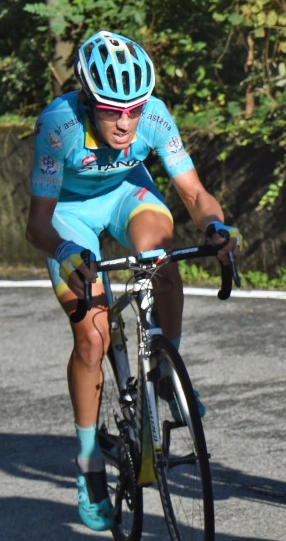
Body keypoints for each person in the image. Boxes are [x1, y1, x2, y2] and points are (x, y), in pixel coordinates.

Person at [25, 30, 239, 532]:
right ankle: (88, 462)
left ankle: (164, 369)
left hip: (124, 194)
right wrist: (65, 251)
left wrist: (215, 226)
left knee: (159, 254)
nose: (125, 122)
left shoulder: (156, 117)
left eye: (134, 109)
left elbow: (194, 193)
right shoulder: (59, 126)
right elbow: (37, 223)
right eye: (111, 111)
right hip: (68, 213)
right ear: (88, 102)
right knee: (92, 338)